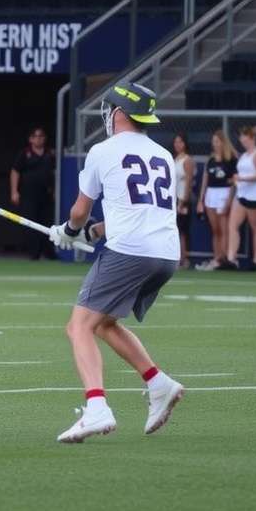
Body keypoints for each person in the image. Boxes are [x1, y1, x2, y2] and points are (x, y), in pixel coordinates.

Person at [48, 82, 183, 444]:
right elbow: (142, 209)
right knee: (105, 323)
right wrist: (89, 234)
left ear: (120, 113)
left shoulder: (102, 151)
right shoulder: (164, 155)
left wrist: (69, 230)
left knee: (78, 326)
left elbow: (80, 210)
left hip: (130, 252)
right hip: (167, 254)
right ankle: (159, 383)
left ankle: (96, 409)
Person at [219, 126, 256, 271]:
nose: (242, 140)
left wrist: (242, 178)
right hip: (241, 194)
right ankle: (231, 259)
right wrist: (236, 180)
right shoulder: (244, 155)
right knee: (233, 226)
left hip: (255, 196)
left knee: (255, 228)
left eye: (244, 137)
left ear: (251, 138)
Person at [9, 127, 56, 260]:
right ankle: (34, 253)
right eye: (35, 136)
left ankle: (49, 252)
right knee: (30, 222)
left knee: (47, 222)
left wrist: (55, 191)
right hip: (28, 194)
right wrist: (14, 191)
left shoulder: (50, 154)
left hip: (46, 194)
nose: (39, 139)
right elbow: (15, 171)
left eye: (41, 136)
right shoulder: (24, 154)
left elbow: (56, 173)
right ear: (30, 139)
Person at [195, 130, 237, 271]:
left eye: (217, 142)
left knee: (224, 227)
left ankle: (224, 259)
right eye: (213, 142)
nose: (215, 144)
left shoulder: (231, 159)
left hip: (224, 193)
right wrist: (201, 200)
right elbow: (205, 181)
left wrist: (228, 200)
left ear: (223, 142)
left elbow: (233, 182)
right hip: (211, 194)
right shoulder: (211, 160)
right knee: (215, 230)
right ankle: (217, 257)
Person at [172, 133, 195, 269]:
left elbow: (188, 181)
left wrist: (183, 201)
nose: (177, 145)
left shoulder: (187, 160)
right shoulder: (175, 159)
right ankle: (177, 257)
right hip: (174, 198)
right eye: (176, 142)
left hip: (182, 199)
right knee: (175, 229)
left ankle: (184, 259)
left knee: (182, 230)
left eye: (180, 142)